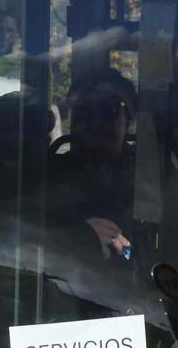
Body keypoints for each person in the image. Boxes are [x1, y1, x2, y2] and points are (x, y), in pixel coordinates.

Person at [48, 69, 138, 260]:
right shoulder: (50, 174)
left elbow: (150, 254)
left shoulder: (150, 179)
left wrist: (126, 251)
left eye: (109, 110)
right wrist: (80, 235)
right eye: (85, 112)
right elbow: (27, 238)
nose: (96, 122)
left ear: (129, 119)